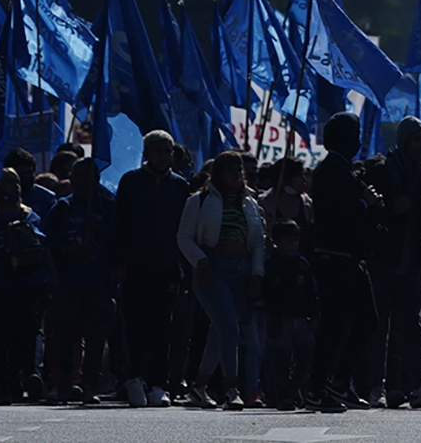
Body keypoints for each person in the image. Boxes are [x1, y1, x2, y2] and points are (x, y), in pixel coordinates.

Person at [176, 150, 265, 409]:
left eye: (239, 170)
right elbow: (184, 237)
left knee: (220, 333)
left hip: (242, 270)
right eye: (230, 170)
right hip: (212, 270)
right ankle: (231, 389)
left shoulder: (250, 203)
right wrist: (200, 260)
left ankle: (199, 386)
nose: (237, 175)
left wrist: (257, 274)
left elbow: (258, 243)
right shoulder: (200, 201)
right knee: (229, 328)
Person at [306, 112, 380, 413]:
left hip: (349, 258)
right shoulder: (332, 171)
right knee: (334, 325)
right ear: (340, 138)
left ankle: (337, 383)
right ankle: (316, 387)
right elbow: (337, 216)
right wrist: (365, 203)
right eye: (355, 133)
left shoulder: (342, 168)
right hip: (334, 258)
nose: (359, 140)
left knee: (365, 321)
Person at [114, 129, 188, 408]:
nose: (163, 156)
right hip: (135, 266)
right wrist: (119, 261)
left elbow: (184, 229)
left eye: (168, 151)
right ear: (146, 155)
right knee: (134, 325)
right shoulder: (131, 182)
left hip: (167, 267)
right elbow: (119, 223)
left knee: (162, 327)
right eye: (158, 151)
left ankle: (159, 384)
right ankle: (133, 378)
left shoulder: (180, 186)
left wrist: (183, 266)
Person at [0, 169, 54, 404]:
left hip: (27, 284)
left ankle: (16, 378)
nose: (13, 187)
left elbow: (42, 247)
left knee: (23, 335)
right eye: (7, 183)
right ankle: (1, 384)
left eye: (16, 182)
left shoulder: (29, 216)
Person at [367, 116, 421, 406]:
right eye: (415, 139)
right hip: (383, 259)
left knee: (410, 325)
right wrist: (392, 209)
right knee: (379, 326)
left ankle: (413, 383)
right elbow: (371, 213)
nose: (419, 145)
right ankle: (375, 386)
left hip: (412, 259)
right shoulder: (383, 170)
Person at [44, 156, 117, 403]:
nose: (82, 182)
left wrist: (99, 230)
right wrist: (66, 251)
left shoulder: (107, 206)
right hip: (69, 285)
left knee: (96, 340)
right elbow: (48, 244)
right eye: (77, 177)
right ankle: (65, 382)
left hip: (99, 284)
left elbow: (120, 240)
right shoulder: (62, 208)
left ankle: (89, 385)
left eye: (88, 177)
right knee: (66, 338)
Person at [260, 221, 318, 409]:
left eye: (295, 240)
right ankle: (282, 394)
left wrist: (314, 314)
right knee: (281, 359)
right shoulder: (271, 265)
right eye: (287, 240)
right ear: (277, 241)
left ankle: (298, 388)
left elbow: (311, 292)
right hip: (279, 318)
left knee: (304, 357)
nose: (292, 244)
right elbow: (266, 292)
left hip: (301, 317)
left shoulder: (302, 264)